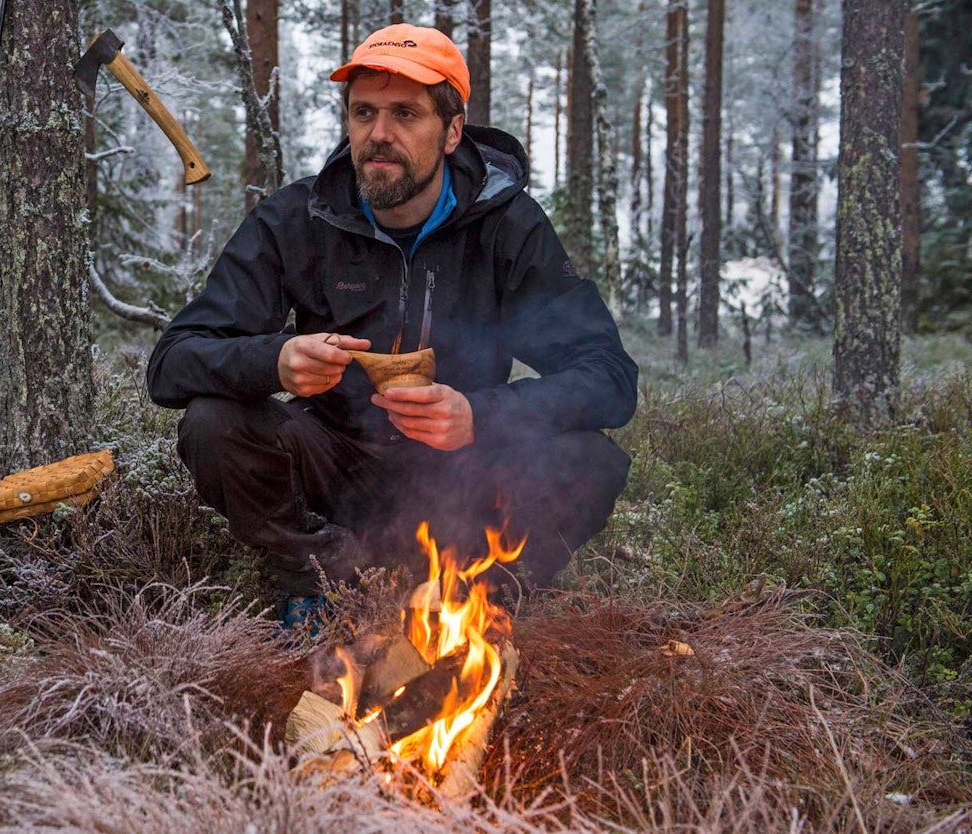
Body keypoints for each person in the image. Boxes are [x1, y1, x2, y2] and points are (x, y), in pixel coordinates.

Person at [146, 23, 637, 605]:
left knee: (588, 459)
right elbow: (172, 362)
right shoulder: (298, 220)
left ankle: (478, 601)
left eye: (405, 114)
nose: (379, 135)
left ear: (452, 130)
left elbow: (610, 377)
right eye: (363, 113)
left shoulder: (506, 227)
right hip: (334, 466)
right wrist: (274, 360)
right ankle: (326, 581)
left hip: (461, 476)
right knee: (213, 424)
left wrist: (479, 415)